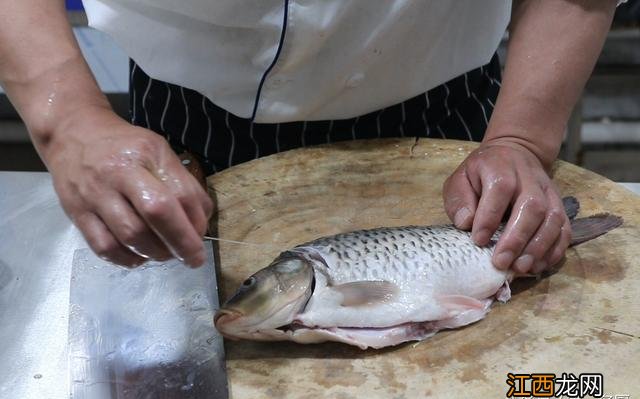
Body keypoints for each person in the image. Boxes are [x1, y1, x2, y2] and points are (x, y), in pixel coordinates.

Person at [0, 1, 620, 273]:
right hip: (179, 125)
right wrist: (70, 120)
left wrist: (522, 139)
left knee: (534, 387)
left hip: (459, 129)